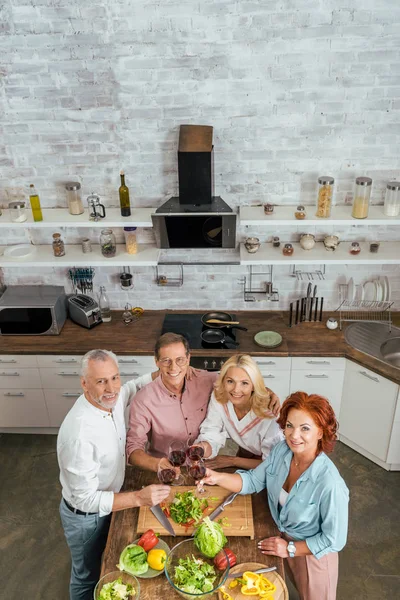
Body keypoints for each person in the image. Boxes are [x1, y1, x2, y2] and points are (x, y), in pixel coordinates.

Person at [200, 392, 349, 600]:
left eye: (305, 428)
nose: (294, 436)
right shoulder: (282, 451)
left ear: (321, 432)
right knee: (296, 588)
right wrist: (216, 477)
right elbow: (253, 481)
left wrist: (290, 548)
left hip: (313, 555)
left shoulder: (330, 483)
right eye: (289, 426)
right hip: (283, 541)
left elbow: (334, 539)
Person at [57, 349, 171, 600]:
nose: (111, 388)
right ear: (84, 383)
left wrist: (167, 369)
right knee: (86, 575)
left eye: (114, 377)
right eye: (101, 381)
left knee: (109, 562)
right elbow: (84, 500)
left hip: (111, 501)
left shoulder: (114, 398)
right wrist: (139, 498)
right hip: (85, 518)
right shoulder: (79, 434)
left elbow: (132, 386)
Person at [126, 334, 281, 473]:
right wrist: (158, 464)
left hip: (203, 466)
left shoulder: (208, 381)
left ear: (188, 359)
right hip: (165, 469)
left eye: (180, 360)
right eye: (166, 361)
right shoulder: (143, 400)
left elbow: (237, 379)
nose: (173, 367)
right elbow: (133, 449)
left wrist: (264, 391)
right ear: (156, 361)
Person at [195, 354, 283, 469]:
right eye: (230, 381)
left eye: (244, 383)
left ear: (253, 385)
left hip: (276, 465)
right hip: (246, 454)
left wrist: (232, 460)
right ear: (223, 381)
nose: (236, 390)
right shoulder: (220, 397)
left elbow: (272, 465)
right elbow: (212, 431)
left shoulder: (270, 413)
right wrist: (202, 448)